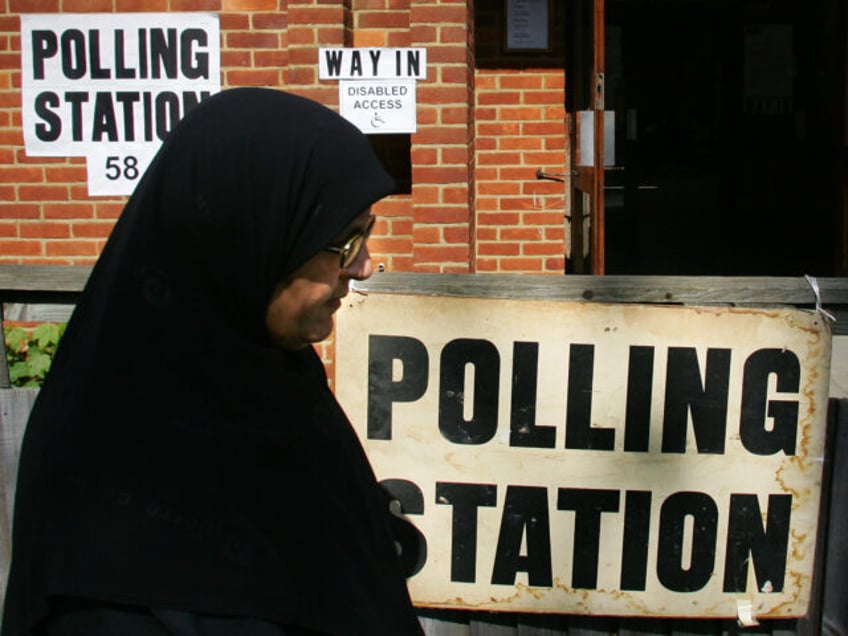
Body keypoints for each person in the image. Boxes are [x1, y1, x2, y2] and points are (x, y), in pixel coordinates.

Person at [2, 87, 425, 636]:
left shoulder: (280, 388)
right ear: (248, 239)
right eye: (344, 240)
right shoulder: (108, 510)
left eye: (364, 234)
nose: (365, 266)